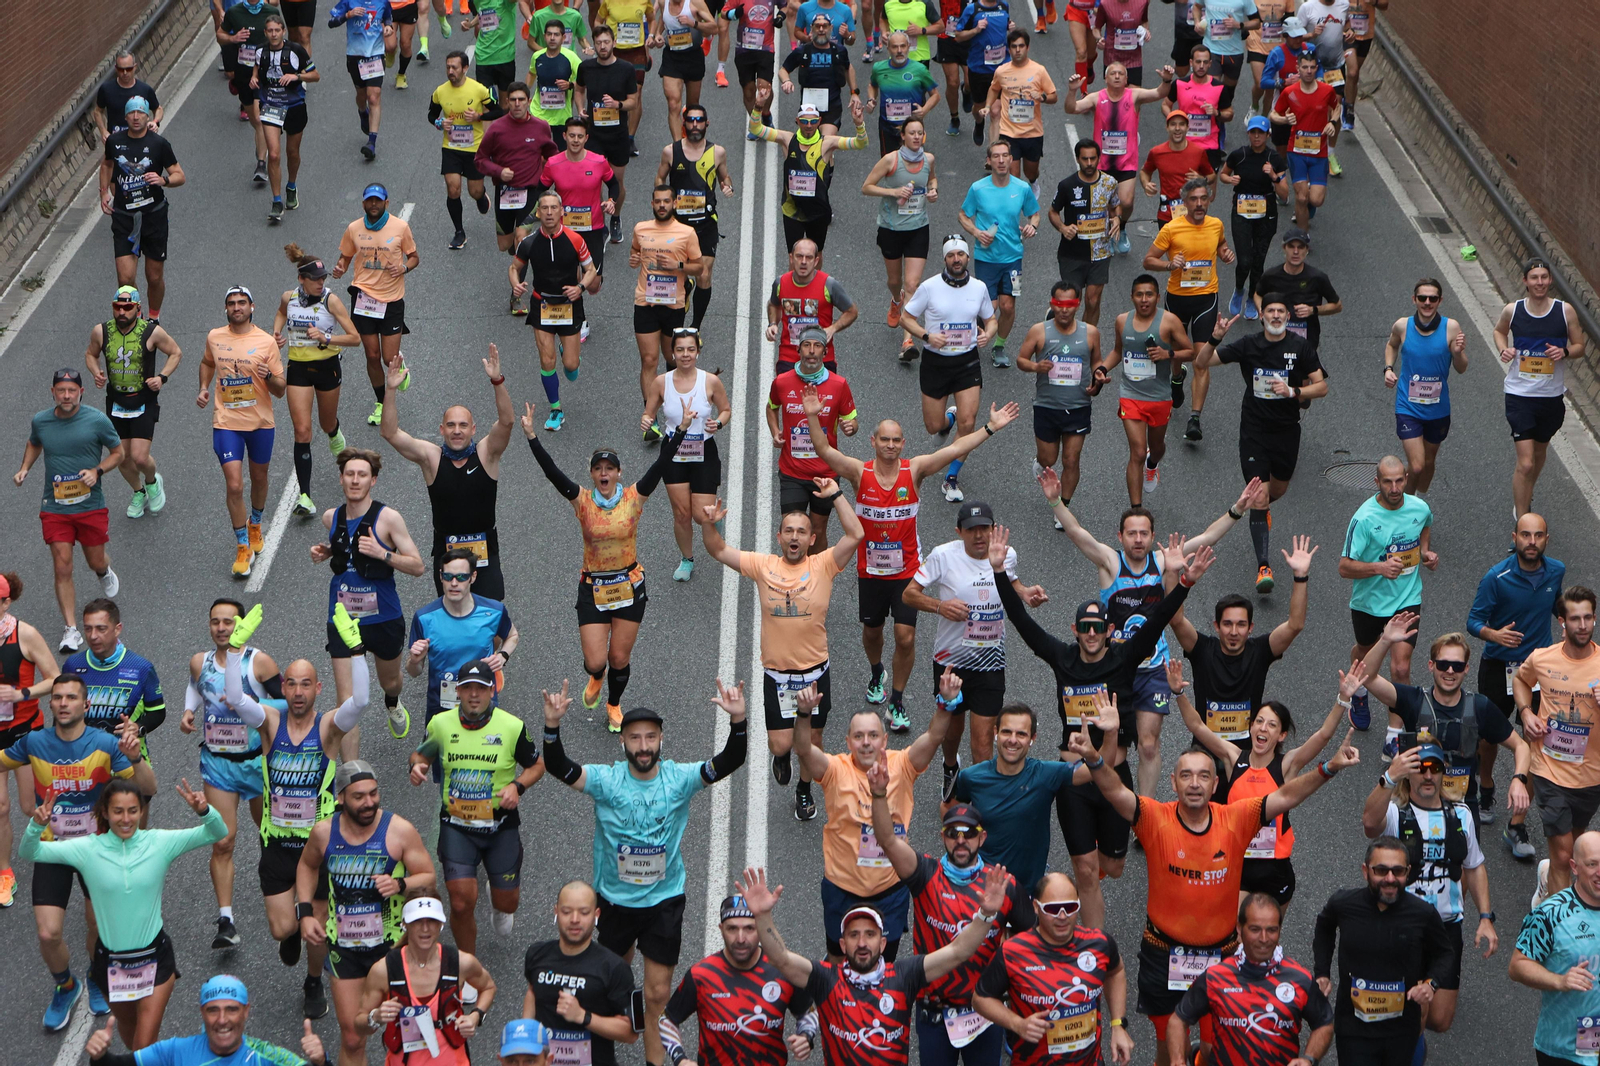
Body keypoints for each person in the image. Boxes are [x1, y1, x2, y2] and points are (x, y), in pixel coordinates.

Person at [1069, 691, 1359, 1066]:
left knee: (1213, 1049)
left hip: (1220, 958)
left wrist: (1328, 768)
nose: (1194, 783)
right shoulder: (1154, 817)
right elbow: (1113, 789)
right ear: (1173, 783)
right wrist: (1094, 757)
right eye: (1186, 776)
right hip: (1163, 951)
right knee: (1165, 1047)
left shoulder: (1236, 818)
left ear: (1214, 785)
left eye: (1203, 776)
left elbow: (1286, 796)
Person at [1000, 527, 1212, 931]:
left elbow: (1158, 619)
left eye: (1099, 628)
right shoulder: (1062, 657)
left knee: (1111, 867)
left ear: (1108, 631)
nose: (1093, 634)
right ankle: (1091, 949)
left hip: (1114, 775)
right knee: (1083, 870)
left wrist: (1184, 583)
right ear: (1076, 630)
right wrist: (998, 574)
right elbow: (1020, 619)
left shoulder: (1123, 657)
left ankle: (1100, 869)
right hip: (1073, 780)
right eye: (1086, 628)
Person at [540, 677, 748, 1066]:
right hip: (614, 901)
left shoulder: (680, 779)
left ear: (661, 741)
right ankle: (597, 1047)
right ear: (623, 743)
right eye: (635, 739)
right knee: (606, 984)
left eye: (650, 738)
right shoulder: (606, 780)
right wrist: (552, 727)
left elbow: (730, 760)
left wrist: (739, 721)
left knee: (656, 995)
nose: (643, 747)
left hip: (664, 901)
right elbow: (559, 768)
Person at [806, 400, 1018, 731]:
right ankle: (877, 670)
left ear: (903, 443)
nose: (890, 445)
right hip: (871, 571)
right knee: (872, 632)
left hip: (907, 571)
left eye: (896, 440)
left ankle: (897, 701)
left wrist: (990, 427)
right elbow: (823, 449)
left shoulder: (914, 470)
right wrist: (811, 415)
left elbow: (955, 447)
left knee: (905, 638)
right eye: (884, 440)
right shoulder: (858, 472)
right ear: (873, 441)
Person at [1053, 483, 1261, 796]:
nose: (1138, 539)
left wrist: (1238, 509)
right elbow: (1075, 531)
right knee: (1111, 744)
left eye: (1144, 533)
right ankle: (1107, 798)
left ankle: (1144, 814)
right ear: (1120, 536)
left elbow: (1207, 537)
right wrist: (1055, 499)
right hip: (1115, 669)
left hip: (1154, 669)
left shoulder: (1164, 561)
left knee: (1148, 745)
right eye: (1132, 533)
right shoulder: (1110, 563)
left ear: (1152, 536)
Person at [223, 605, 369, 1020]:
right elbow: (235, 698)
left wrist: (356, 649)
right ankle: (293, 932)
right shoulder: (269, 722)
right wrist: (235, 650)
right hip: (277, 845)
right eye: (292, 684)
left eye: (307, 684)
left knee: (317, 927)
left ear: (318, 688)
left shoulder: (328, 728)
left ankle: (312, 980)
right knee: (283, 929)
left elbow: (360, 700)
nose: (299, 692)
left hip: (319, 847)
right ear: (282, 689)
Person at [736, 860, 1011, 1065]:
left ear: (883, 943)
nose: (862, 943)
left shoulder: (905, 975)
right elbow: (780, 959)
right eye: (854, 935)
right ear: (842, 945)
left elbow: (958, 952)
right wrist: (762, 917)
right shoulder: (825, 977)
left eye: (870, 934)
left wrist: (986, 916)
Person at [698, 480, 862, 816]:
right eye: (788, 531)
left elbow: (856, 534)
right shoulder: (764, 566)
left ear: (812, 539)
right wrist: (709, 523)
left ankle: (804, 790)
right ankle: (782, 755)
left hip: (815, 674)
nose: (794, 537)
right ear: (779, 537)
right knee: (781, 743)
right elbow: (718, 550)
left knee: (812, 746)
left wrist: (836, 496)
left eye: (802, 532)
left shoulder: (824, 564)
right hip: (778, 676)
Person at [23, 779, 225, 1049]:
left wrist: (204, 810)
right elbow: (29, 851)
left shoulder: (159, 843)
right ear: (105, 812)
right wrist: (38, 824)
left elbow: (216, 832)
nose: (126, 818)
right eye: (118, 811)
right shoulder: (87, 849)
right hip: (111, 965)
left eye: (133, 810)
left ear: (141, 812)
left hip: (155, 960)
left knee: (143, 1046)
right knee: (132, 1044)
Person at [2, 674, 152, 1029]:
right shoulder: (33, 742)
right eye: (57, 698)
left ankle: (98, 976)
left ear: (85, 705)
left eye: (71, 697)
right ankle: (66, 986)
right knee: (47, 933)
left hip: (95, 851)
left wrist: (137, 758)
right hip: (53, 850)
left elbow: (148, 787)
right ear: (49, 704)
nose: (63, 703)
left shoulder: (104, 744)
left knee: (97, 925)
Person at [525, 404, 688, 730]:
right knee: (596, 660)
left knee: (619, 659)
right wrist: (531, 437)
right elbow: (552, 472)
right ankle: (596, 677)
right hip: (593, 588)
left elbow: (661, 463)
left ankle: (614, 704)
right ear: (591, 473)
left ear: (618, 472)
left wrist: (681, 430)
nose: (603, 473)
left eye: (609, 468)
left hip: (628, 586)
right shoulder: (581, 500)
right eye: (598, 468)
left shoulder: (634, 498)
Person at [869, 784, 1032, 1065]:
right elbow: (887, 840)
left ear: (982, 839)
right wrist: (879, 795)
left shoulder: (1004, 887)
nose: (960, 840)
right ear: (942, 837)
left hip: (985, 1011)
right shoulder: (925, 874)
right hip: (934, 1014)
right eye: (952, 833)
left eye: (969, 833)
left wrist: (1020, 1008)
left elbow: (1031, 946)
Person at [298, 762, 434, 1064]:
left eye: (373, 794)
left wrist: (400, 883)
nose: (369, 802)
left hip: (393, 949)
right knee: (353, 1036)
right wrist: (305, 912)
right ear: (341, 798)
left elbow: (427, 875)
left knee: (408, 1035)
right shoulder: (324, 832)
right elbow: (308, 865)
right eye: (359, 796)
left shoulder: (398, 830)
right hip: (344, 948)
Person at [1360, 740, 1495, 1044]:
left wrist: (1485, 917)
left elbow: (1475, 866)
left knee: (1440, 1019)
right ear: (1409, 776)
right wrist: (1388, 778)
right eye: (1419, 770)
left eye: (1434, 769)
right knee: (1415, 1012)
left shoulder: (1461, 815)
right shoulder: (1397, 814)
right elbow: (1369, 823)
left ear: (1443, 773)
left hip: (1446, 928)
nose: (1428, 776)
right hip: (1403, 924)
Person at [1193, 297, 1326, 589]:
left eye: (1281, 311)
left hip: (1287, 431)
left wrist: (1293, 391)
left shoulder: (1299, 346)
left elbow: (1322, 386)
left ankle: (1259, 511)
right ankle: (1264, 567)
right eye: (1270, 311)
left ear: (1287, 315)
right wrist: (1215, 337)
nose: (1276, 316)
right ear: (1262, 316)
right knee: (1259, 496)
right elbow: (1202, 362)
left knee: (1276, 490)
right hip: (1254, 431)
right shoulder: (1249, 344)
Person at [904, 506, 1048, 769]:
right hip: (951, 661)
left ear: (993, 529)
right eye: (971, 530)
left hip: (990, 662)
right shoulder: (943, 556)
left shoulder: (1006, 553)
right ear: (960, 532)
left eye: (985, 528)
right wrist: (940, 606)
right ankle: (950, 767)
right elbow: (909, 594)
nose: (979, 535)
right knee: (951, 730)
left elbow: (1010, 582)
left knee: (982, 742)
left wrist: (1025, 593)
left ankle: (979, 796)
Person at [409, 660, 537, 952]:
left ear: (492, 691)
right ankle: (466, 964)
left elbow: (536, 765)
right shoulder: (441, 725)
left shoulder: (511, 726)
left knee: (508, 902)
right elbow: (420, 755)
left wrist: (517, 786)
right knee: (460, 901)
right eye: (468, 689)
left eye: (481, 688)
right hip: (456, 825)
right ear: (458, 692)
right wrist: (417, 767)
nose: (474, 695)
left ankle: (498, 897)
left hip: (500, 825)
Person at [1359, 615, 1530, 828]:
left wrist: (1519, 779)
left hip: (1462, 811)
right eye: (1443, 664)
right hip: (1417, 808)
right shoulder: (1414, 701)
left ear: (1466, 669)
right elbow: (1365, 676)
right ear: (1431, 665)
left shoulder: (1479, 707)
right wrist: (1385, 641)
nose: (1450, 671)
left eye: (1457, 666)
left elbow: (1520, 746)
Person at [181, 598, 284, 949]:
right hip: (218, 763)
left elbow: (289, 702)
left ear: (241, 625)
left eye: (228, 622)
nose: (222, 628)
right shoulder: (200, 662)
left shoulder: (259, 662)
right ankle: (226, 920)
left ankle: (289, 895)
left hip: (256, 762)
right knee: (223, 840)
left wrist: (248, 705)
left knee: (270, 834)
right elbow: (197, 686)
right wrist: (188, 711)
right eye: (215, 622)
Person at [312, 448, 427, 744]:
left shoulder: (388, 519)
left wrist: (384, 553)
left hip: (383, 617)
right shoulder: (330, 517)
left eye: (362, 475)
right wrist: (326, 552)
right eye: (349, 474)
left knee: (390, 681)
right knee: (346, 702)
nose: (355, 480)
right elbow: (342, 546)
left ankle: (392, 702)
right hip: (342, 619)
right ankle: (351, 775)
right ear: (340, 479)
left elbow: (417, 566)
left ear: (373, 480)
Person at [380, 346, 514, 598]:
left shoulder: (486, 454)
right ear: (441, 430)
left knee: (490, 626)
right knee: (452, 626)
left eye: (463, 425)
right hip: (446, 555)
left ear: (473, 429)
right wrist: (390, 390)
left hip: (484, 556)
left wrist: (497, 380)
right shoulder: (431, 458)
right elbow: (390, 433)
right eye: (451, 425)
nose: (457, 431)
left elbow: (507, 421)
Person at [1312, 837, 1453, 1066]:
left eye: (1397, 871)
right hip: (1354, 1028)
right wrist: (1322, 972)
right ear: (1365, 871)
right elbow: (1324, 927)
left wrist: (1431, 984)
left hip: (1401, 1030)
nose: (1390, 879)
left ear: (1408, 872)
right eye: (1381, 870)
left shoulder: (1422, 914)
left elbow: (1445, 953)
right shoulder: (1344, 904)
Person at [971, 869, 1133, 1066]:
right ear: (1036, 908)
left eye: (1070, 907)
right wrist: (1017, 1024)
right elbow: (981, 998)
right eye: (1053, 909)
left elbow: (1116, 972)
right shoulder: (1013, 952)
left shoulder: (1099, 944)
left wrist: (1118, 1024)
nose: (1063, 916)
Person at [17, 368, 123, 655]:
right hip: (55, 506)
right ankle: (71, 629)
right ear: (53, 392)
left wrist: (97, 470)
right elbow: (34, 442)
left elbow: (118, 453)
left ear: (81, 392)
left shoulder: (97, 420)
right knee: (62, 564)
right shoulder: (41, 420)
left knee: (95, 560)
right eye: (61, 391)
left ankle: (103, 570)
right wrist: (25, 468)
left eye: (71, 391)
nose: (66, 396)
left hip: (90, 505)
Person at [1469, 512, 1562, 838]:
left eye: (1538, 536)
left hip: (1538, 671)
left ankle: (1517, 823)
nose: (1532, 542)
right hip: (1498, 666)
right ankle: (1487, 785)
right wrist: (1495, 635)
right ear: (1515, 537)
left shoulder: (1557, 571)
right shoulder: (1497, 577)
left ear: (1546, 539)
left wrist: (1566, 623)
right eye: (1525, 535)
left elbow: (1554, 604)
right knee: (1489, 737)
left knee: (1537, 740)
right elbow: (1473, 621)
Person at [1169, 894, 1334, 1066]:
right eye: (1255, 929)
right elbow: (1178, 1019)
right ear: (1240, 929)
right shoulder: (1216, 977)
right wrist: (1177, 1060)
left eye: (1271, 930)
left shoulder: (1300, 979)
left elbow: (1324, 1023)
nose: (1264, 939)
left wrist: (1308, 1059)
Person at [661, 895, 820, 1066]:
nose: (741, 939)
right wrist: (680, 1059)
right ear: (721, 929)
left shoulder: (782, 970)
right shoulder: (701, 975)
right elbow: (667, 1019)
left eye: (749, 928)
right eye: (732, 929)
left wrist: (806, 1035)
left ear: (760, 928)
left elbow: (808, 1012)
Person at [900, 236, 999, 502]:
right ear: (945, 259)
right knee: (933, 426)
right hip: (936, 362)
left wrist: (987, 335)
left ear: (968, 258)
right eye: (951, 255)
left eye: (961, 255)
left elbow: (991, 320)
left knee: (969, 422)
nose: (956, 259)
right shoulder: (929, 287)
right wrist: (926, 336)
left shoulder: (979, 288)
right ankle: (948, 421)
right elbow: (905, 318)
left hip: (967, 361)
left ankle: (951, 477)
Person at [1518, 586, 1600, 905]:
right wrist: (1525, 712)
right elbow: (1521, 681)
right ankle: (1558, 928)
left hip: (1590, 774)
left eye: (1588, 618)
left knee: (1575, 850)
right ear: (1561, 622)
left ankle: (1547, 877)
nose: (1582, 625)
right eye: (1575, 619)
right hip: (1548, 769)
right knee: (1565, 851)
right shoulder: (1543, 658)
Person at [200, 285, 288, 578]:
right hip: (226, 424)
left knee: (259, 478)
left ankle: (256, 524)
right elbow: (207, 363)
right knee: (235, 485)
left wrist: (268, 377)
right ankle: (242, 546)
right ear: (226, 309)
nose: (236, 307)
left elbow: (280, 390)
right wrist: (203, 387)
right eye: (231, 303)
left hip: (260, 423)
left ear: (252, 307)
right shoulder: (215, 337)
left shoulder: (265, 342)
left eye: (241, 303)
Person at [948, 704, 1076, 900]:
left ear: (1032, 739)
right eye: (1006, 732)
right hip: (981, 887)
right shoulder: (971, 777)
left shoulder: (1046, 774)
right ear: (996, 733)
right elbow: (949, 809)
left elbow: (1094, 772)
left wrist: (1098, 748)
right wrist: (959, 843)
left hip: (1027, 892)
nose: (1013, 740)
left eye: (1021, 734)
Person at [1338, 455, 1435, 715]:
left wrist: (1425, 552)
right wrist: (1379, 568)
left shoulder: (1419, 508)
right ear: (1376, 482)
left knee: (1401, 668)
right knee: (1365, 654)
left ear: (1406, 479)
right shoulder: (1364, 519)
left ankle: (1398, 732)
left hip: (1407, 597)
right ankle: (1358, 688)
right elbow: (1344, 567)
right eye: (1387, 482)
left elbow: (1425, 526)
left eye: (1399, 481)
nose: (1394, 489)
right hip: (1370, 602)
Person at [1495, 258, 1588, 519]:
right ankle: (1523, 522)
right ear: (1525, 281)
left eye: (1544, 277)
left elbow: (1580, 346)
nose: (1540, 282)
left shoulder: (1564, 310)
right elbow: (1499, 331)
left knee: (1539, 453)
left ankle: (1526, 490)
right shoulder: (1513, 310)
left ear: (1550, 280)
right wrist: (1504, 348)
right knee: (1525, 463)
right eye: (1534, 277)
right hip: (1519, 395)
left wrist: (1566, 351)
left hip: (1550, 397)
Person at [1144, 177, 1233, 443]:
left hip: (1206, 298)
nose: (1199, 204)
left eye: (1203, 198)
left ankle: (1195, 418)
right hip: (1178, 299)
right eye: (1193, 199)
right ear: (1185, 202)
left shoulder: (1216, 225)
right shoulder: (1172, 229)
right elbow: (1148, 261)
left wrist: (1226, 253)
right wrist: (1169, 266)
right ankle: (1175, 378)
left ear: (1209, 200)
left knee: (1200, 359)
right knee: (1178, 356)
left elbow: (1221, 245)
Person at [272, 246, 359, 517]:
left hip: (327, 367)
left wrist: (327, 338)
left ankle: (334, 432)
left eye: (323, 279)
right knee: (302, 432)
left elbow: (354, 337)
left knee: (325, 423)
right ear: (302, 279)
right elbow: (280, 314)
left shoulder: (331, 301)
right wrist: (276, 333)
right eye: (316, 279)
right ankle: (305, 497)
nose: (321, 283)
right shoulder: (289, 298)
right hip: (298, 367)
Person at [359, 895, 498, 1063]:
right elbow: (359, 1025)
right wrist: (375, 1017)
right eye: (417, 921)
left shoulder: (460, 962)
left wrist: (475, 1016)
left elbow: (488, 987)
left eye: (432, 921)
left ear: (441, 924)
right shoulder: (384, 970)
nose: (425, 928)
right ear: (405, 924)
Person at [640, 329, 732, 580]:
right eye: (679, 350)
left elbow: (725, 410)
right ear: (672, 353)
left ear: (698, 352)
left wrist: (719, 424)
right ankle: (687, 560)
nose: (685, 355)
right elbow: (649, 412)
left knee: (701, 515)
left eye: (690, 349)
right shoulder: (661, 382)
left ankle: (713, 519)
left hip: (704, 451)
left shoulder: (710, 381)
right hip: (674, 451)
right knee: (681, 513)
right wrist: (647, 421)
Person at [83, 286, 180, 521]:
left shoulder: (151, 332)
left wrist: (162, 377)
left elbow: (175, 352)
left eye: (127, 307)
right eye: (118, 307)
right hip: (116, 401)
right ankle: (138, 492)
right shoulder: (101, 331)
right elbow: (90, 354)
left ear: (138, 309)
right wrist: (96, 372)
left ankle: (152, 481)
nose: (122, 312)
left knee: (139, 457)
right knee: (121, 457)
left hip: (143, 400)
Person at [83, 975, 330, 1066]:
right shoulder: (175, 1052)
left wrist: (321, 1062)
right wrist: (100, 1057)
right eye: (213, 1010)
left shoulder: (266, 1057)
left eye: (231, 1010)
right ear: (202, 1012)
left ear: (246, 1011)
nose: (222, 1020)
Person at [1098, 275, 1194, 503]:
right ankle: (1136, 509)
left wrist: (1167, 354)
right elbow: (1118, 352)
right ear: (1131, 297)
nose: (1144, 299)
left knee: (1156, 448)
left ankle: (1153, 464)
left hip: (1160, 396)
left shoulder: (1169, 321)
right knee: (1138, 452)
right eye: (1139, 295)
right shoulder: (1122, 320)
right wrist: (1102, 368)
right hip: (1130, 395)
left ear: (1158, 297)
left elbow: (1191, 352)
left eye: (1149, 294)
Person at [521, 881, 639, 1066]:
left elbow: (632, 1032)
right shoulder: (536, 954)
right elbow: (532, 992)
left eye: (584, 913)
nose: (574, 919)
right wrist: (525, 1034)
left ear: (596, 915)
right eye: (567, 912)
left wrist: (583, 1016)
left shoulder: (616, 967)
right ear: (556, 912)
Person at [333, 183, 421, 427]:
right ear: (363, 204)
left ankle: (399, 362)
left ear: (386, 203)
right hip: (363, 298)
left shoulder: (400, 227)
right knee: (371, 355)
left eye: (378, 201)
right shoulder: (354, 229)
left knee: (387, 358)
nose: (373, 205)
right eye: (369, 201)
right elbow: (346, 256)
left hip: (391, 299)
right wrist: (341, 267)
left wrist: (403, 267)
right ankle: (382, 403)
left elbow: (414, 257)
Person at [1511, 830, 1600, 1066]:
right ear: (1574, 866)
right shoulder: (1550, 914)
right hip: (1565, 1047)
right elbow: (1518, 966)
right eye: (1592, 864)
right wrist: (1559, 981)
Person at [511, 194, 600, 426]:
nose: (549, 212)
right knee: (546, 361)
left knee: (571, 366)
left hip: (569, 305)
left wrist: (580, 287)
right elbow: (514, 267)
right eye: (544, 208)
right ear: (538, 213)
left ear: (562, 211)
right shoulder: (528, 242)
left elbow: (591, 270)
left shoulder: (575, 239)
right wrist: (516, 284)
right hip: (542, 305)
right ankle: (556, 409)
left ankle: (568, 352)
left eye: (554, 208)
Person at [1066, 62, 1173, 254]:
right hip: (1102, 163)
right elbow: (1071, 109)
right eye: (1112, 73)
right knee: (1107, 203)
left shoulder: (1134, 96)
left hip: (1126, 162)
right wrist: (1072, 92)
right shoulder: (1096, 98)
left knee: (1126, 202)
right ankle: (1108, 231)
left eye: (1120, 74)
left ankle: (1121, 228)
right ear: (1105, 78)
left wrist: (1166, 79)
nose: (1116, 76)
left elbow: (1159, 93)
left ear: (1126, 79)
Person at [767, 331, 859, 551]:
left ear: (825, 352)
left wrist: (850, 427)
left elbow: (852, 421)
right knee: (792, 531)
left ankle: (818, 577)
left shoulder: (838, 384)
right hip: (792, 472)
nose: (811, 350)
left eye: (817, 345)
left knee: (817, 530)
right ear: (798, 350)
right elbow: (771, 407)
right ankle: (793, 580)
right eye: (806, 345)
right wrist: (775, 430)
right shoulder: (782, 382)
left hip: (825, 473)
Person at [1015, 282, 1102, 508]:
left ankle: (1063, 507)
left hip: (1078, 406)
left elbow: (1096, 362)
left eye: (1070, 304)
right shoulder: (1038, 331)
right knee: (1049, 459)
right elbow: (1021, 360)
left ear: (1078, 305)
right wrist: (1035, 367)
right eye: (1059, 304)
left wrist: (1098, 377)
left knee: (1071, 460)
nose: (1064, 309)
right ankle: (1040, 462)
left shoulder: (1090, 332)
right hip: (1047, 406)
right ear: (1051, 304)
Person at [0, 572, 59, 908]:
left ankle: (63, 846)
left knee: (28, 805)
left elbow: (54, 678)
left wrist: (21, 693)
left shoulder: (25, 634)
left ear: (7, 603)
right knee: (1, 807)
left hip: (23, 732)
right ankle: (4, 872)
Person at [751, 93, 870, 253]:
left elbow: (860, 143)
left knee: (816, 257)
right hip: (792, 210)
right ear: (797, 121)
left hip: (818, 212)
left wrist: (859, 124)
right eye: (805, 121)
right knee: (794, 258)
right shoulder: (787, 139)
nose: (809, 125)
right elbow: (756, 129)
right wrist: (758, 107)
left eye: (813, 121)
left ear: (819, 121)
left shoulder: (828, 142)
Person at [408, 553, 518, 726]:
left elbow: (512, 635)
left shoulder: (494, 611)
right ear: (440, 577)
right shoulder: (424, 618)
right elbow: (414, 671)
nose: (454, 583)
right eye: (448, 577)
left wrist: (502, 656)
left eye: (461, 577)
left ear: (472, 577)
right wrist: (415, 661)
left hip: (483, 706)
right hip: (441, 710)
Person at [100, 97, 183, 322]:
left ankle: (153, 318)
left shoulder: (159, 144)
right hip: (124, 217)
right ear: (125, 117)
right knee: (125, 279)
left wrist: (163, 180)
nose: (136, 117)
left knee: (154, 277)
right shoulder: (115, 142)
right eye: (131, 113)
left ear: (148, 117)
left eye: (140, 113)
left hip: (153, 216)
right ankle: (138, 315)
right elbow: (107, 164)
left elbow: (179, 175)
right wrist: (104, 192)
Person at [1383, 277, 1468, 495]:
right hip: (1408, 407)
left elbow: (1461, 367)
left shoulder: (1451, 327)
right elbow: (1391, 345)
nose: (1427, 303)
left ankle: (1419, 498)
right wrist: (1389, 368)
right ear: (1414, 299)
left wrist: (1457, 353)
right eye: (1422, 298)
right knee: (1417, 464)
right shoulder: (1402, 325)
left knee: (1428, 462)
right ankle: (1407, 504)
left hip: (1438, 409)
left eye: (1433, 298)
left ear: (1440, 300)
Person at [958, 141, 1038, 368]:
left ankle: (999, 345)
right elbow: (963, 215)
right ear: (989, 161)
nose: (1002, 161)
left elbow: (1035, 215)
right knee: (987, 307)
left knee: (1008, 306)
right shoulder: (978, 188)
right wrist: (976, 232)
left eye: (1005, 156)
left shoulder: (1022, 188)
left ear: (1011, 159)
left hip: (1013, 257)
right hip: (986, 258)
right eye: (996, 156)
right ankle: (970, 335)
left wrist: (1033, 226)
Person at [862, 117, 938, 354]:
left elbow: (932, 178)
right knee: (895, 282)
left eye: (920, 133)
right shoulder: (890, 160)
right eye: (912, 133)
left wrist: (934, 189)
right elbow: (866, 187)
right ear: (903, 136)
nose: (916, 137)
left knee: (912, 284)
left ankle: (908, 341)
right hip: (891, 229)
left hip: (918, 228)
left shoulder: (928, 159)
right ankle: (896, 300)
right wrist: (893, 191)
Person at [629, 185, 705, 422]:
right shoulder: (641, 229)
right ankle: (650, 416)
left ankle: (674, 407)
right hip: (645, 302)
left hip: (673, 304)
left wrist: (677, 266)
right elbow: (635, 252)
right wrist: (633, 259)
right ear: (652, 204)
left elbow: (699, 267)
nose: (662, 206)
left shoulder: (686, 232)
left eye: (666, 202)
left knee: (671, 359)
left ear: (674, 204)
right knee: (649, 360)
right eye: (657, 202)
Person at [64, 599, 166, 768]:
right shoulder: (73, 666)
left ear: (117, 629)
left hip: (128, 763)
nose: (93, 636)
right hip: (83, 764)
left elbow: (158, 712)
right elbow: (61, 715)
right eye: (88, 629)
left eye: (101, 629)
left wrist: (138, 728)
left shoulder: (141, 668)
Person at [657, 104, 733, 328]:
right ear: (684, 124)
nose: (695, 125)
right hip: (678, 225)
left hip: (706, 224)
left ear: (706, 123)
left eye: (699, 121)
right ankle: (685, 289)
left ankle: (695, 327)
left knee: (704, 274)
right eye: (690, 120)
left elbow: (725, 178)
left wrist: (727, 186)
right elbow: (659, 179)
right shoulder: (670, 151)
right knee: (678, 270)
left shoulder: (717, 152)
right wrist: (664, 201)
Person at [476, 84, 561, 259]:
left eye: (521, 100)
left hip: (530, 191)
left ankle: (518, 283)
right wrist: (499, 172)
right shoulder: (497, 128)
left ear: (528, 102)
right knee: (504, 244)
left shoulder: (540, 126)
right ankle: (517, 249)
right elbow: (480, 160)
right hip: (505, 191)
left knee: (521, 238)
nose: (517, 104)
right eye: (513, 100)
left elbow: (553, 156)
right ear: (507, 102)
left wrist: (555, 178)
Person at [1218, 115, 1288, 317]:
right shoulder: (1238, 155)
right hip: (1241, 212)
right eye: (1253, 132)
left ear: (1267, 135)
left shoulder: (1274, 158)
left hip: (1266, 216)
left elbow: (1284, 193)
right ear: (1248, 134)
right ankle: (1239, 290)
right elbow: (1223, 174)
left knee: (1258, 260)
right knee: (1245, 259)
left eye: (1260, 133)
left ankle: (1252, 297)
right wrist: (1230, 179)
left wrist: (1274, 177)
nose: (1256, 137)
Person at [432, 50, 499, 253]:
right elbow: (431, 115)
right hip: (451, 147)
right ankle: (459, 231)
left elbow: (498, 111)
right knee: (453, 190)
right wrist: (439, 123)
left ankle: (480, 197)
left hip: (474, 148)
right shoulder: (440, 92)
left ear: (465, 68)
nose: (450, 71)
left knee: (474, 190)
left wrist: (478, 116)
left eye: (454, 67)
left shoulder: (478, 90)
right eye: (448, 67)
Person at [252, 15, 319, 219]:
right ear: (265, 33)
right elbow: (256, 70)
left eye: (277, 30)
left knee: (292, 152)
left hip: (294, 106)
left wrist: (297, 76)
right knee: (273, 154)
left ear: (283, 31)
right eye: (270, 31)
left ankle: (291, 185)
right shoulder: (260, 52)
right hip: (271, 105)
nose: (273, 34)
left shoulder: (296, 50)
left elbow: (315, 75)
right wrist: (254, 79)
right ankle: (277, 201)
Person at [574, 32, 637, 246]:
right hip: (594, 135)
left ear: (614, 43)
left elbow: (633, 102)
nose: (602, 46)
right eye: (599, 43)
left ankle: (616, 218)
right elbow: (579, 89)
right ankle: (599, 222)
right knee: (594, 180)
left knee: (616, 181)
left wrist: (617, 105)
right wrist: (581, 108)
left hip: (617, 135)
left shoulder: (626, 69)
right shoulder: (586, 68)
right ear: (594, 44)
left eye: (606, 42)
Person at [1048, 141, 1120, 327]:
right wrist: (1063, 228)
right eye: (1085, 159)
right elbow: (1052, 212)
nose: (1089, 163)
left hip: (1101, 251)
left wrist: (1117, 219)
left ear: (1098, 158)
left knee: (1093, 301)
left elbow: (1115, 206)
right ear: (1078, 159)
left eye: (1093, 158)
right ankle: (1058, 323)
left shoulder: (1109, 183)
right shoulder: (1067, 185)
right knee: (1072, 301)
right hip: (1072, 254)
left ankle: (1086, 340)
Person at [1269, 52, 1340, 229]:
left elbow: (1337, 107)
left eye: (1312, 67)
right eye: (1305, 67)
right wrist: (1285, 120)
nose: (1308, 71)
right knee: (1301, 197)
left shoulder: (1327, 90)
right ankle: (1302, 237)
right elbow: (1273, 114)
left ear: (1317, 68)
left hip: (1319, 153)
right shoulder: (1289, 92)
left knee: (1316, 200)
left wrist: (1332, 122)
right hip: (1296, 151)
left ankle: (1309, 206)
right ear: (1298, 68)